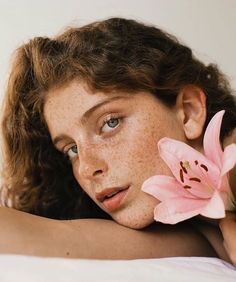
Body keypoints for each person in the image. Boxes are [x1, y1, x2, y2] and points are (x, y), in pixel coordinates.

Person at [0, 17, 235, 263]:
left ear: (189, 112)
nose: (87, 168)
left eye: (110, 123)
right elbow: (57, 238)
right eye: (71, 150)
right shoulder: (190, 234)